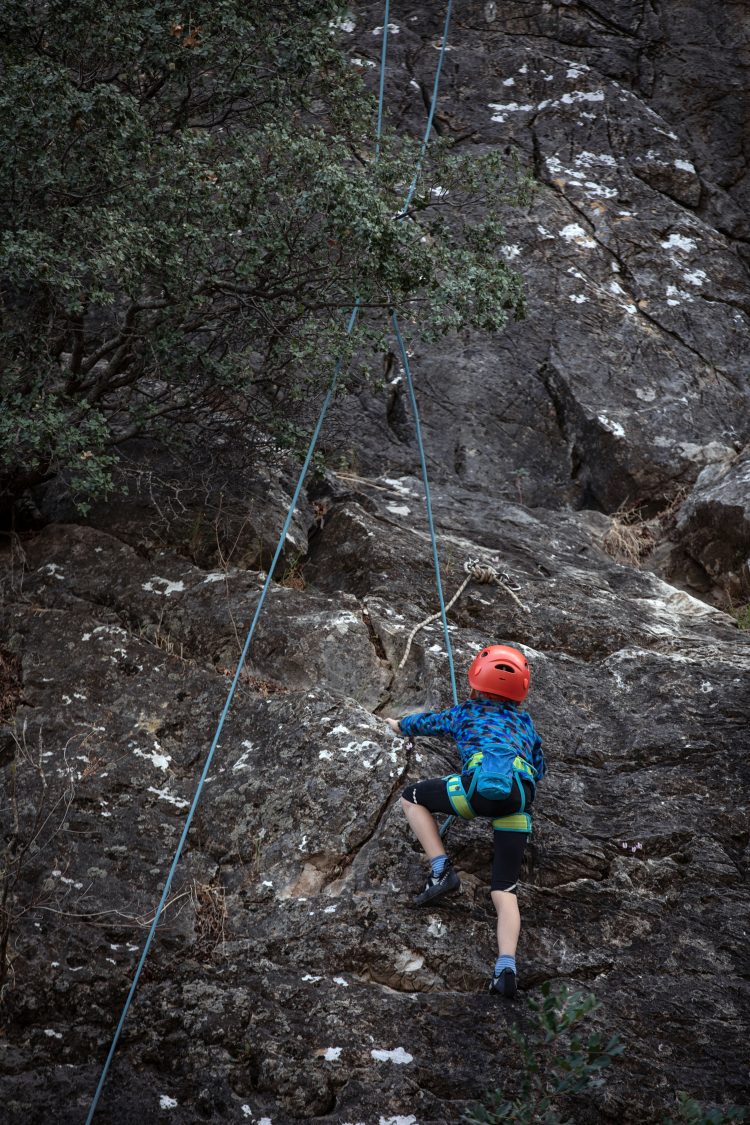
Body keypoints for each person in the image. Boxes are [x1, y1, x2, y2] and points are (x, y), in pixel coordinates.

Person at [385, 644, 545, 998]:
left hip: (475, 794)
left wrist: (398, 725)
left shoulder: (465, 712)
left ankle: (441, 869)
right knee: (505, 890)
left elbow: (428, 723)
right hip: (517, 802)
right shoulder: (525, 722)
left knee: (412, 797)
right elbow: (540, 765)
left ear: (475, 681)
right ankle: (506, 968)